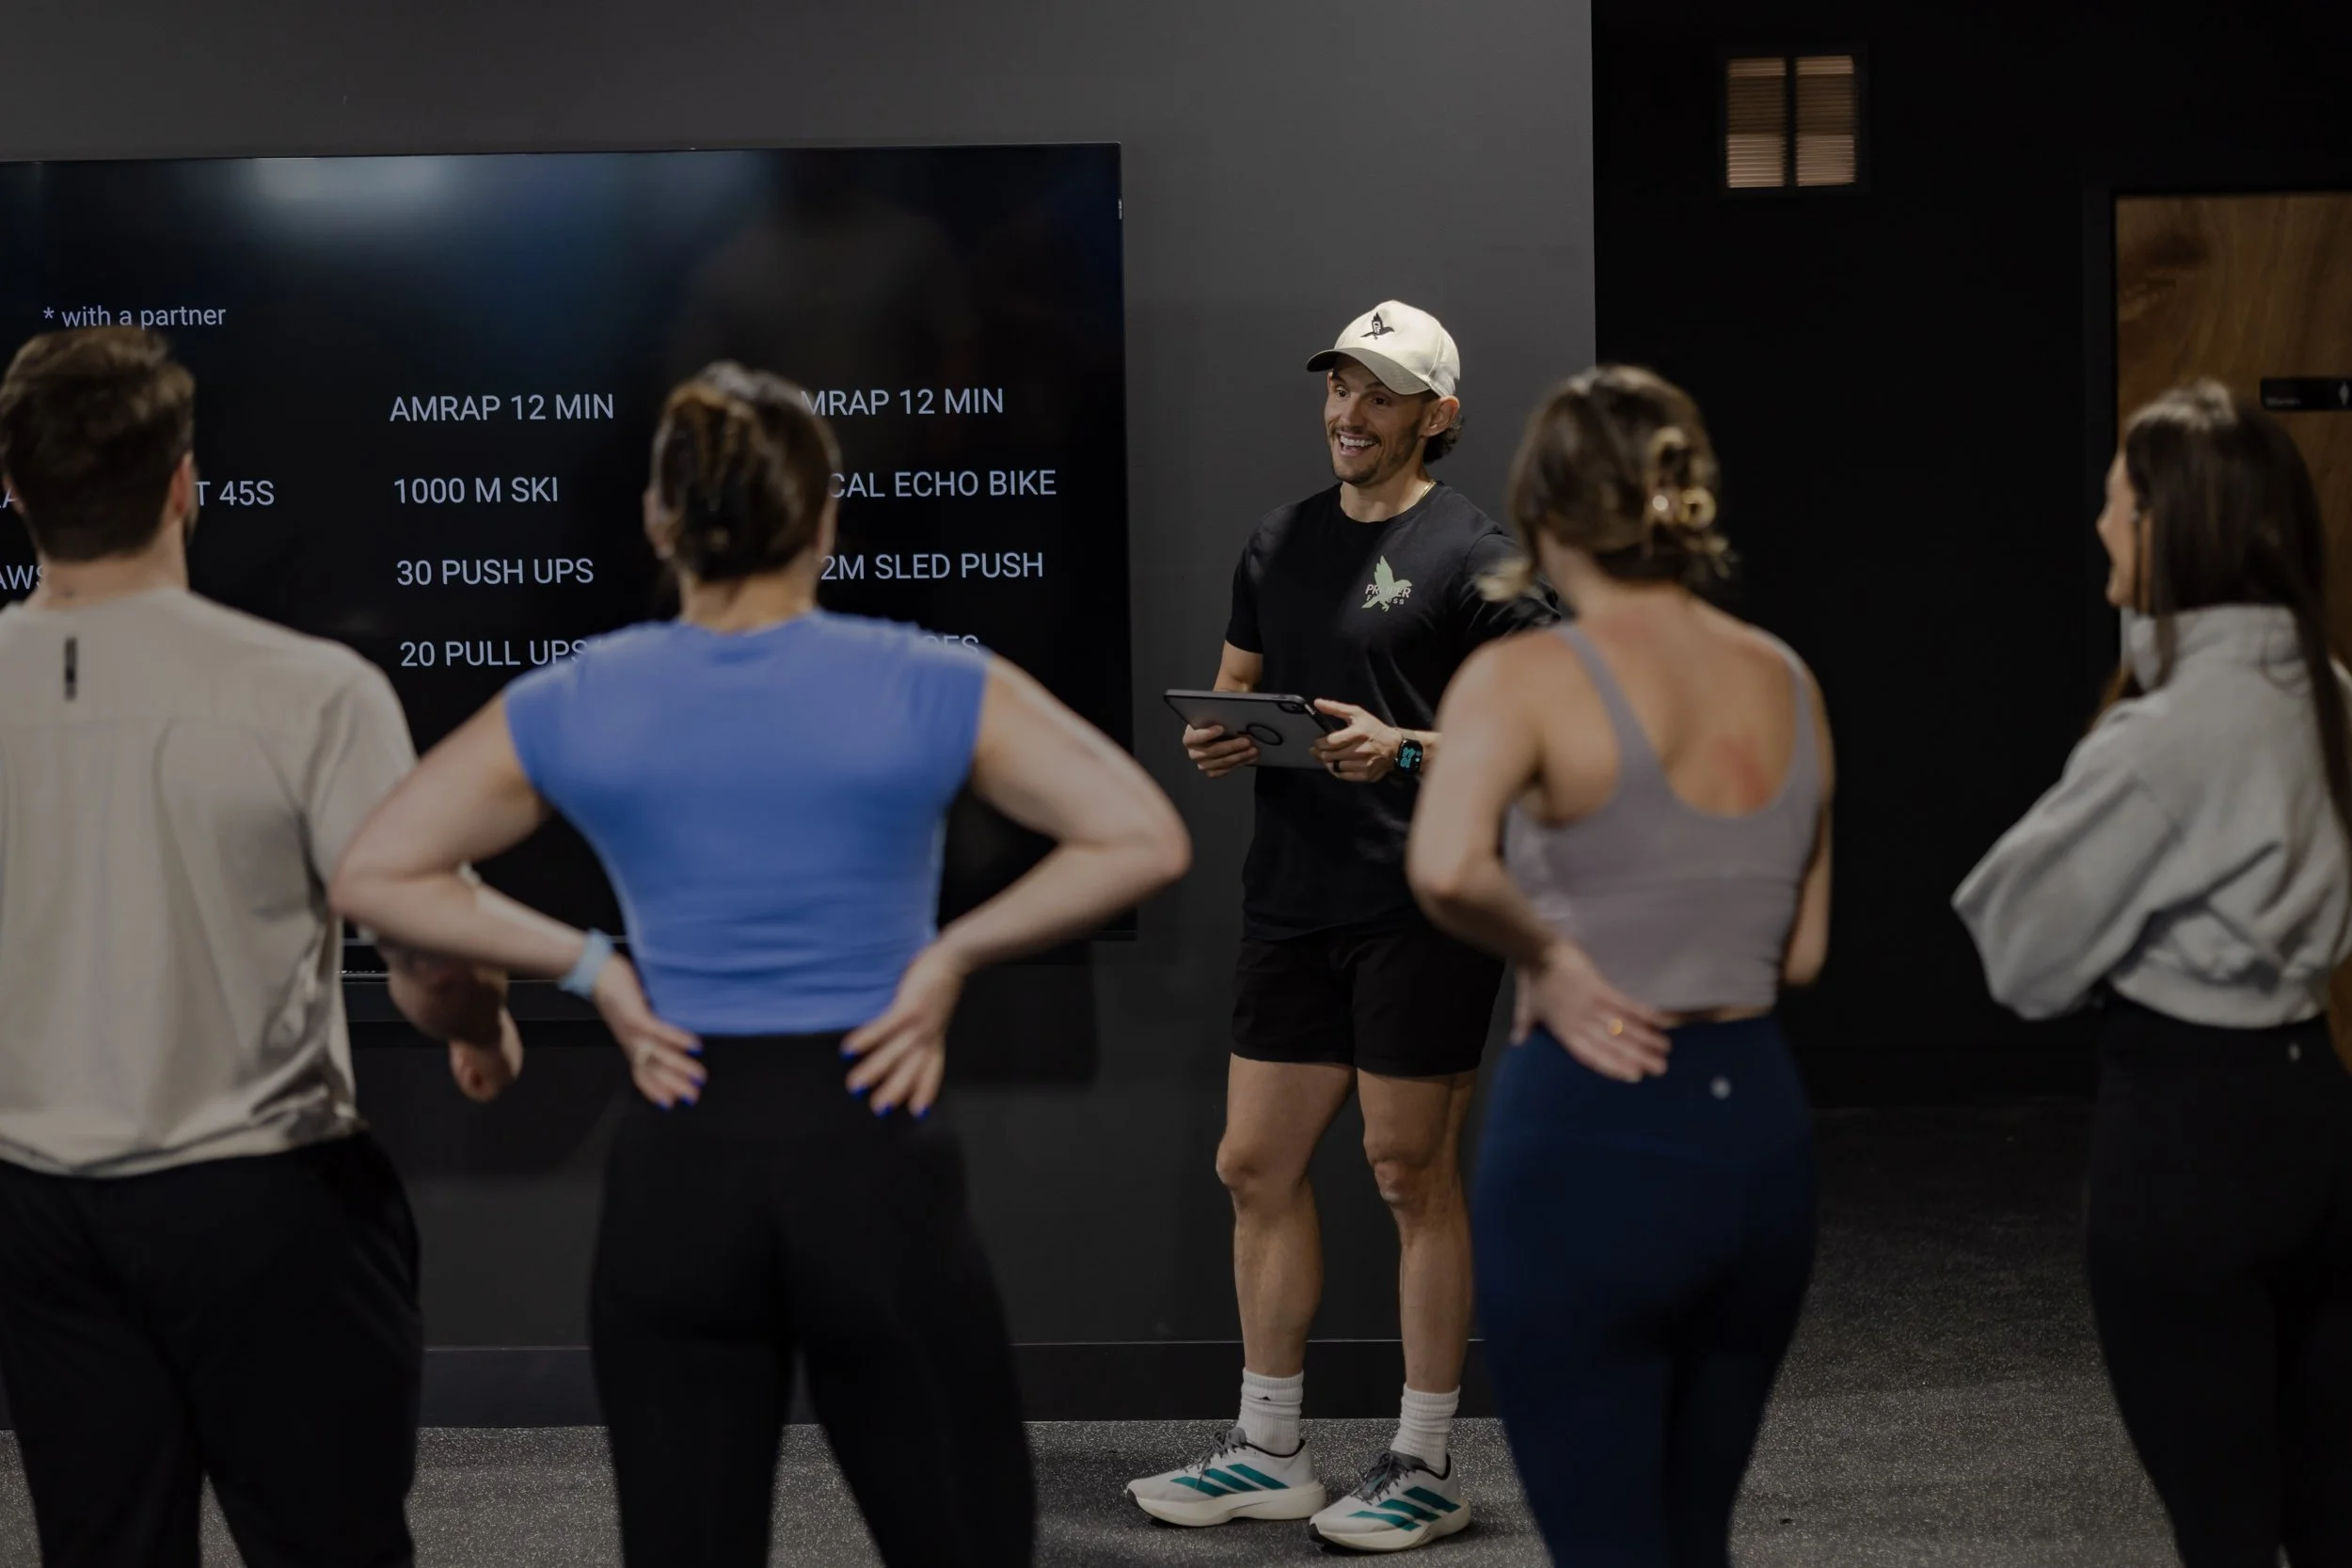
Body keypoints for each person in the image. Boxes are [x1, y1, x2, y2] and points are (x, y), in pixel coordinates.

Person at [330, 361, 1189, 1568]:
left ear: (659, 519)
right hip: (873, 1149)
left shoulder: (583, 695)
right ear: (825, 517)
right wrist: (950, 956)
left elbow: (376, 874)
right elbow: (1144, 836)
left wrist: (594, 970)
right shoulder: (926, 676)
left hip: (681, 1154)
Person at [0, 326, 516, 1568]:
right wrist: (483, 1026)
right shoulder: (310, 690)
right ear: (184, 480)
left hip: (37, 1213)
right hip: (264, 1202)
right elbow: (431, 949)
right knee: (330, 1543)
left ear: (13, 485)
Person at [1129, 301, 1557, 1552]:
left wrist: (1409, 744)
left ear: (1439, 414)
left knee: (1407, 1170)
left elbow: (1544, 739)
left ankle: (1424, 1460)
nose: (1347, 413)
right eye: (1338, 389)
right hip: (1292, 900)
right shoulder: (1280, 540)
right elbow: (1240, 688)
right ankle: (1269, 1449)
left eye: (1377, 394)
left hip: (1420, 904)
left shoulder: (1480, 553)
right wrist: (1219, 731)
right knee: (1253, 1165)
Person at [1406, 365, 1833, 1565]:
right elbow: (1801, 948)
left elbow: (1444, 868)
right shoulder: (1788, 679)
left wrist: (1555, 953)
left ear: (1541, 512)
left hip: (1592, 1128)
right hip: (1755, 1133)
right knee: (1693, 1535)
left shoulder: (1523, 674)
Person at [1956, 382, 2352, 1568]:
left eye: (2118, 504)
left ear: (2173, 528)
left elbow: (2018, 954)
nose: (2099, 527)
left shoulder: (2164, 734)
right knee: (2330, 1511)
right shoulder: (2331, 695)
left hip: (2185, 1142)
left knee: (2222, 1530)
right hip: (2316, 1119)